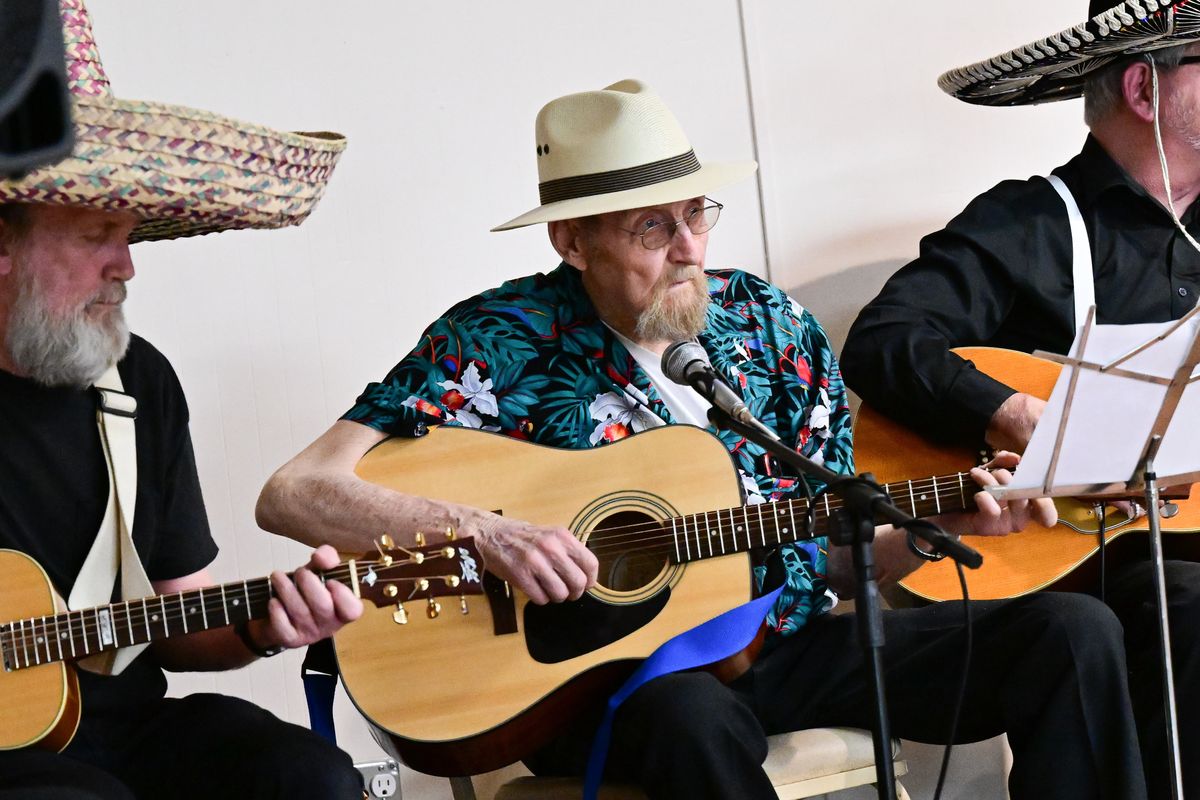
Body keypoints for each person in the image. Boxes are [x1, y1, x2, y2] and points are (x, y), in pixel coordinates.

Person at [258, 78, 1146, 799]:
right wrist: (487, 532)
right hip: (605, 683)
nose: (689, 248)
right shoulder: (495, 340)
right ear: (573, 240)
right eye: (652, 226)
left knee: (1072, 632)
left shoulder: (769, 327)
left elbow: (828, 561)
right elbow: (294, 492)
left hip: (781, 644)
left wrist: (915, 538)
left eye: (697, 214)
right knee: (692, 719)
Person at [0, 3, 363, 799]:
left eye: (130, 235)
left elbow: (176, 622)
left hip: (124, 735)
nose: (127, 267)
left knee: (312, 777)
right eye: (98, 234)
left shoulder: (137, 383)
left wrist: (264, 626)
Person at [840, 2, 1200, 797]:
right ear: (1145, 88)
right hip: (1093, 562)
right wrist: (1019, 414)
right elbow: (885, 340)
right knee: (1185, 602)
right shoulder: (1032, 222)